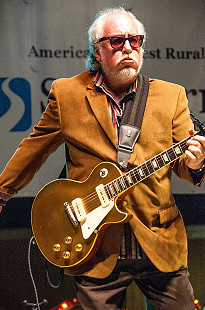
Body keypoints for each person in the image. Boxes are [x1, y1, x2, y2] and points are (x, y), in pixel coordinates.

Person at [0, 7, 205, 310]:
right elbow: (34, 149)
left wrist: (196, 162)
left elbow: (182, 165)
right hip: (93, 247)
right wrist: (2, 192)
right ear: (97, 51)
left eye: (135, 40)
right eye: (117, 41)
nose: (128, 48)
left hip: (159, 240)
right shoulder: (67, 94)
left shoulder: (171, 95)